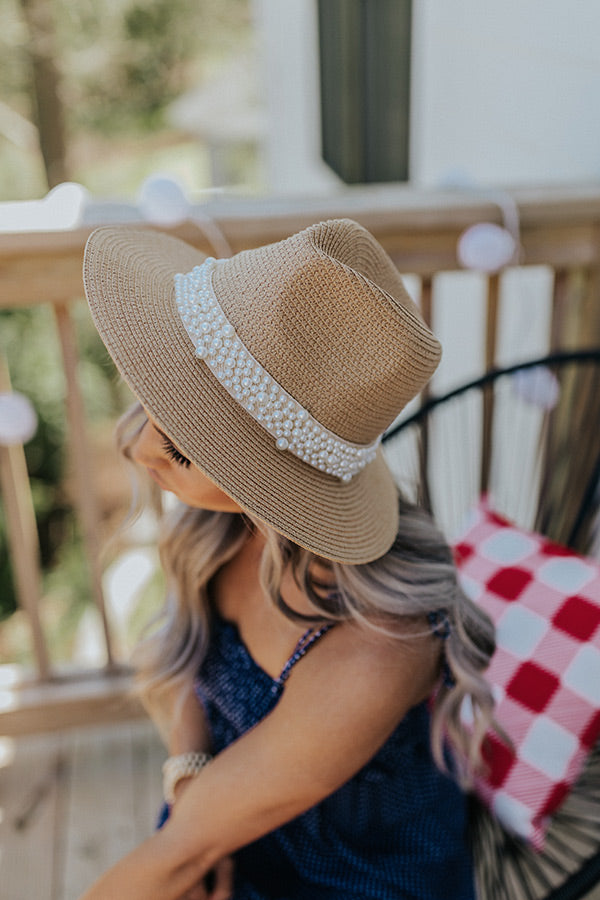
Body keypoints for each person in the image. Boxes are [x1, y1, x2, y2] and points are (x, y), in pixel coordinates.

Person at [79, 218, 495, 900]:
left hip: (353, 881)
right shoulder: (217, 528)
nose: (137, 450)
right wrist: (189, 773)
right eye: (160, 406)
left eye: (186, 448)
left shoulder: (377, 647)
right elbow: (186, 662)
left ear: (267, 481)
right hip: (219, 815)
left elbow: (180, 855)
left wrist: (193, 824)